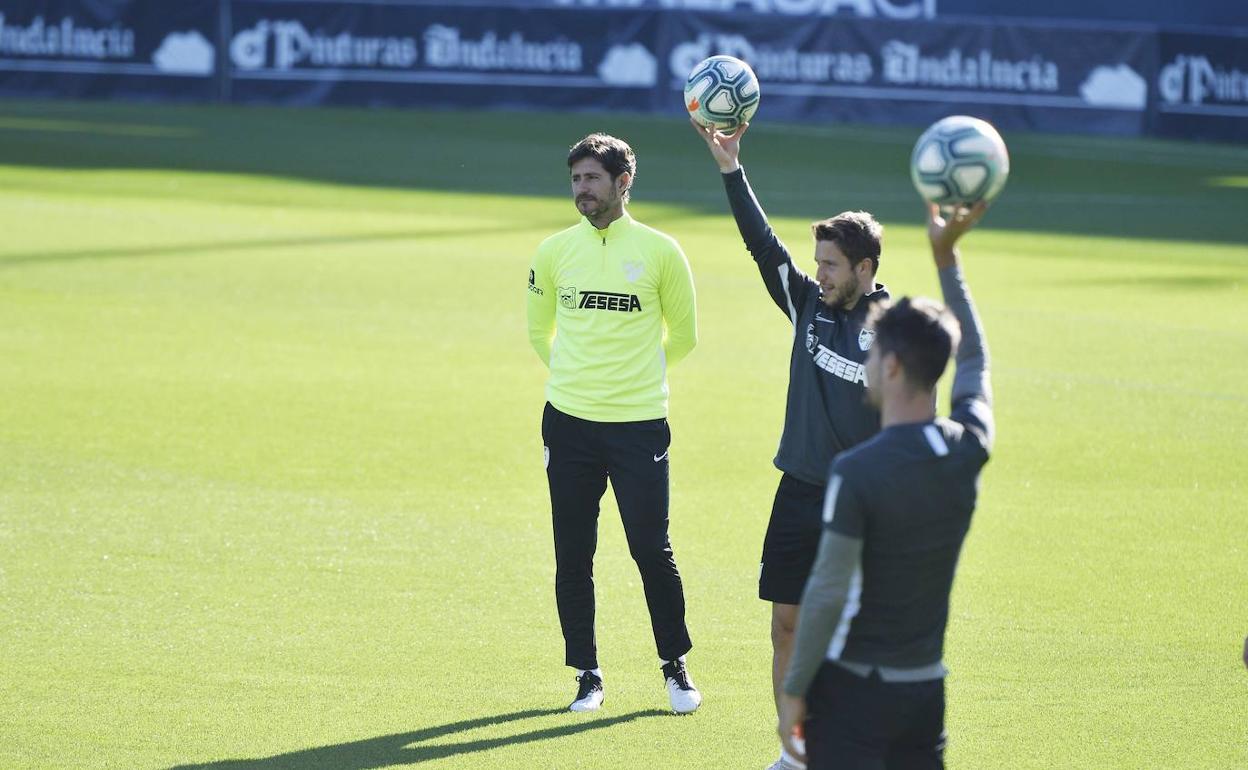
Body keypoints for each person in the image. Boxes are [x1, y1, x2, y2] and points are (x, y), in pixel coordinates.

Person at [691, 121, 888, 769]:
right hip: (798, 494)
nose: (819, 273)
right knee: (786, 628)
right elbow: (761, 244)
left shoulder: (893, 332)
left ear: (864, 267)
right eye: (817, 262)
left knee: (855, 645)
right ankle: (795, 751)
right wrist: (730, 168)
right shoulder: (808, 304)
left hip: (858, 510)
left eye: (831, 264)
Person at [776, 201, 994, 769]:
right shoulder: (968, 446)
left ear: (892, 367)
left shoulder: (859, 471)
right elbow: (974, 360)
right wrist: (947, 256)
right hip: (925, 691)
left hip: (855, 695)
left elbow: (824, 595)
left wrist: (795, 690)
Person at [527, 132, 702, 715]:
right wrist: (578, 379)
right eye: (576, 178)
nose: (582, 189)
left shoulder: (660, 251)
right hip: (568, 424)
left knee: (652, 549)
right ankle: (587, 673)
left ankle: (675, 667)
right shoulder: (554, 250)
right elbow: (537, 329)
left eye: (592, 179)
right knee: (573, 554)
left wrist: (632, 380)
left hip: (639, 425)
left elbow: (685, 335)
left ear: (623, 182)